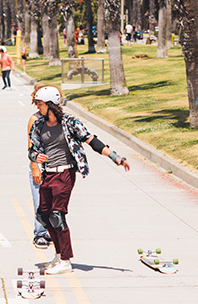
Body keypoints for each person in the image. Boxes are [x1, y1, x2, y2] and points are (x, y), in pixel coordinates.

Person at [28, 86, 130, 274]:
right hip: (47, 174)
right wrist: (36, 157)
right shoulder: (38, 124)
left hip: (65, 174)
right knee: (43, 215)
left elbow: (92, 140)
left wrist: (115, 157)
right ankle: (59, 256)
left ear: (51, 105)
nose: (38, 107)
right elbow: (31, 150)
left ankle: (66, 261)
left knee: (57, 215)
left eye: (40, 104)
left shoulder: (70, 123)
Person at [27, 84, 53, 249]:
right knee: (39, 200)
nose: (37, 104)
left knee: (53, 202)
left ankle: (49, 231)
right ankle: (40, 234)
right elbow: (31, 146)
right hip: (40, 167)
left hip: (55, 166)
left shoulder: (56, 119)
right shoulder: (34, 119)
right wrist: (35, 167)